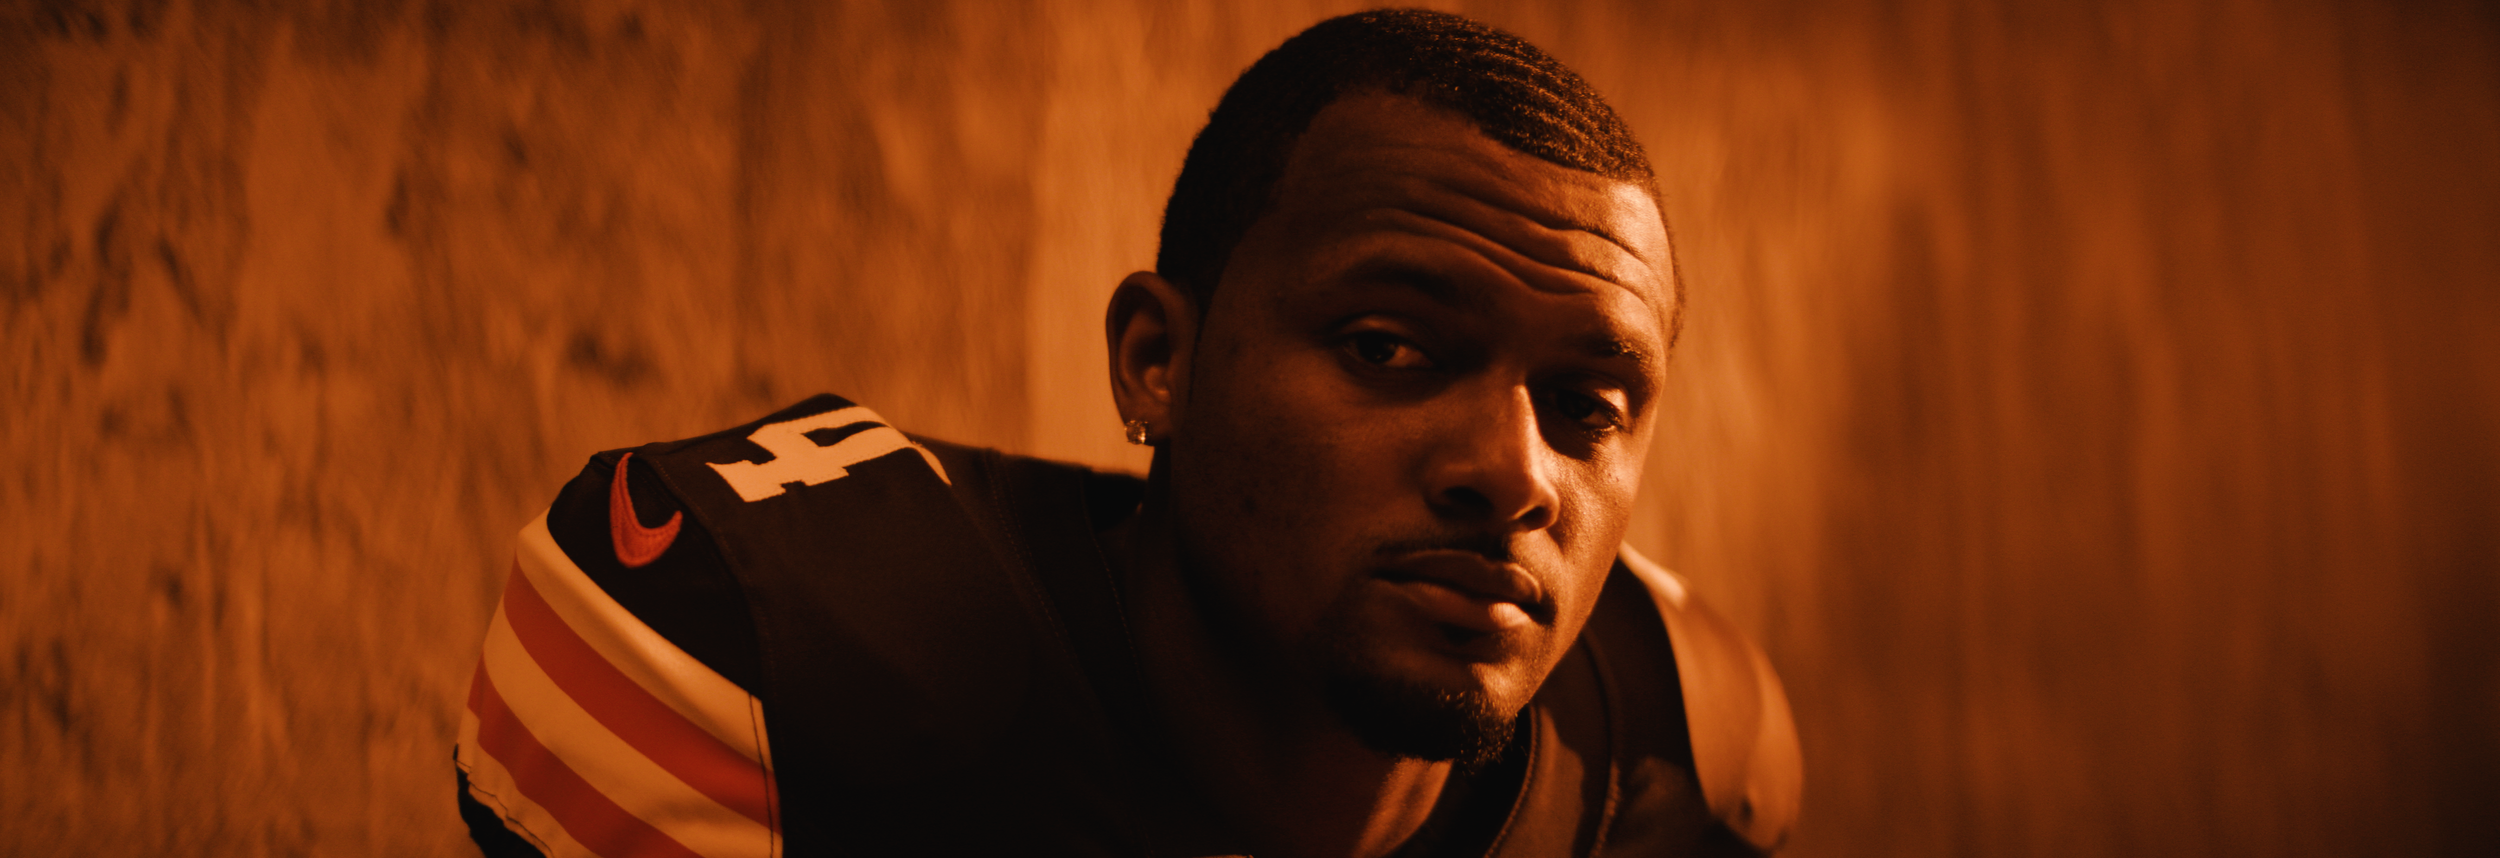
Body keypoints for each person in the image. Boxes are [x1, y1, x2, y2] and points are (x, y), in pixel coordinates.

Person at [453, 9, 1799, 858]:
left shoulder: (1678, 739)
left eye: (1587, 407)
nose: (1513, 473)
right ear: (1161, 361)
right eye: (1389, 349)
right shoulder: (757, 642)